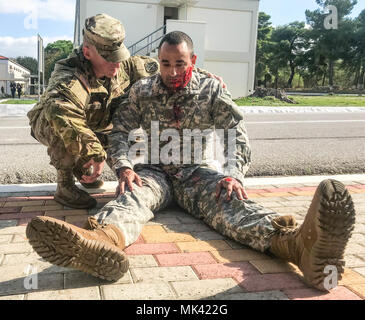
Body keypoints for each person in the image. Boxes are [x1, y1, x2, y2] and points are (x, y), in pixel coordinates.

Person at [26, 31, 356, 291]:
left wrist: (234, 173)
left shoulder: (211, 90)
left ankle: (298, 246)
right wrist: (123, 166)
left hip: (198, 173)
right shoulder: (142, 90)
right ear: (159, 60)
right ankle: (102, 241)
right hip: (154, 171)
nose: (172, 71)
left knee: (231, 203)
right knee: (133, 197)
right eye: (165, 63)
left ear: (192, 60)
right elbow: (120, 130)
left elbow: (235, 133)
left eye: (180, 63)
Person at [27, 13, 224, 210]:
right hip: (55, 123)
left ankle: (84, 169)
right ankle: (65, 186)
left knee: (132, 141)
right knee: (61, 126)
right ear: (87, 52)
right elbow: (64, 113)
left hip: (98, 127)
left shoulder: (126, 66)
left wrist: (204, 76)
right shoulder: (69, 75)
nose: (117, 63)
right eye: (110, 58)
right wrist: (95, 154)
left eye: (119, 56)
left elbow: (169, 66)